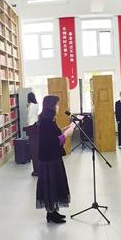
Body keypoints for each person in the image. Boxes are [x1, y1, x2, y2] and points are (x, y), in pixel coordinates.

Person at [36, 95, 76, 224]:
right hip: (49, 159)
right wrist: (66, 135)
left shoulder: (48, 120)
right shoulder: (47, 122)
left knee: (54, 184)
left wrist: (64, 130)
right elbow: (53, 142)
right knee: (51, 185)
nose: (58, 107)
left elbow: (52, 135)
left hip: (51, 157)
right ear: (51, 106)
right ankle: (51, 214)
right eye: (57, 105)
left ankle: (53, 211)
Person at [24, 92, 41, 176]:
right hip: (36, 124)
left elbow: (29, 115)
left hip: (31, 125)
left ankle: (36, 170)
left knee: (33, 147)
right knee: (36, 146)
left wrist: (27, 123)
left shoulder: (30, 105)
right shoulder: (37, 104)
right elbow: (36, 114)